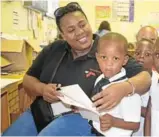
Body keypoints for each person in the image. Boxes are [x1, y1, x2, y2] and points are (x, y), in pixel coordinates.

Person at [2, 2, 151, 136]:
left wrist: (125, 88)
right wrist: (42, 89)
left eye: (82, 24)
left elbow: (145, 78)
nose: (80, 32)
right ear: (63, 35)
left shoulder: (106, 50)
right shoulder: (54, 49)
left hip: (79, 118)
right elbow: (28, 79)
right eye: (71, 29)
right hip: (41, 111)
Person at [87, 32, 141, 136]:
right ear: (97, 57)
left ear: (125, 60)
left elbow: (135, 125)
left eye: (115, 58)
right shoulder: (100, 79)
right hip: (97, 132)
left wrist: (114, 122)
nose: (109, 63)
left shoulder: (128, 91)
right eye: (104, 57)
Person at [132, 38, 157, 136]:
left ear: (155, 58)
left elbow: (156, 113)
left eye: (147, 54)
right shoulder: (126, 78)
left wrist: (131, 106)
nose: (141, 57)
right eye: (138, 53)